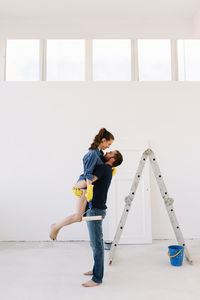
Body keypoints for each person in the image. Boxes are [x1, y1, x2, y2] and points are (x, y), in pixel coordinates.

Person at [50, 128, 114, 241]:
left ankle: (56, 226)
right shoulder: (93, 154)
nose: (109, 147)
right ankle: (55, 226)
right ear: (103, 140)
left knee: (79, 217)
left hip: (88, 185)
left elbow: (99, 170)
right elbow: (88, 174)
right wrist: (88, 188)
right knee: (78, 217)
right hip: (85, 185)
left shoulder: (100, 153)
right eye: (108, 144)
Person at [82, 150, 123, 287]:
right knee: (95, 243)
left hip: (95, 210)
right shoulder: (108, 169)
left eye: (111, 152)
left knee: (97, 245)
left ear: (112, 159)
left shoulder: (104, 167)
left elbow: (89, 181)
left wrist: (78, 183)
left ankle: (97, 278)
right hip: (97, 208)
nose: (107, 152)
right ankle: (95, 270)